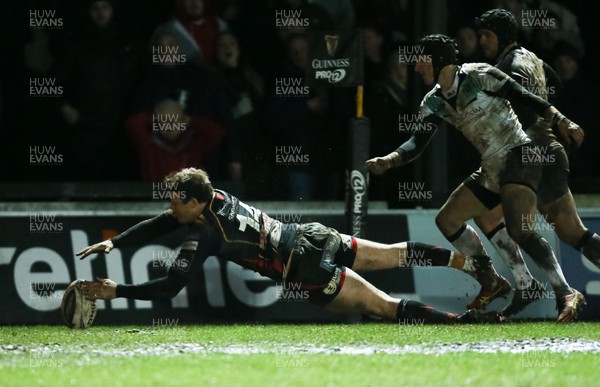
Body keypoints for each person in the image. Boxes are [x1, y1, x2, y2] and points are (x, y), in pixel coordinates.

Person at [77, 167, 503, 324]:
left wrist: (119, 291)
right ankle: (474, 267)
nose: (169, 207)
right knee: (393, 254)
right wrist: (118, 244)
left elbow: (170, 287)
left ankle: (469, 324)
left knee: (384, 307)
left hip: (305, 269)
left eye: (174, 200)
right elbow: (161, 223)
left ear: (192, 203)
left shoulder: (204, 237)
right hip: (311, 235)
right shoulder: (215, 195)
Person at [366, 33, 585, 322]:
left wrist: (561, 119)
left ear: (437, 60)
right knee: (447, 220)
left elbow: (526, 97)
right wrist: (389, 159)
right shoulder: (433, 101)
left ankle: (566, 293)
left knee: (519, 229)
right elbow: (418, 143)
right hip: (492, 168)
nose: (416, 67)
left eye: (420, 61)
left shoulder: (479, 74)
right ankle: (494, 280)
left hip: (520, 155)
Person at [472, 8, 600, 317]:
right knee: (573, 232)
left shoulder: (507, 67)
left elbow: (520, 104)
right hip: (552, 151)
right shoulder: (532, 57)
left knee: (513, 227)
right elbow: (556, 84)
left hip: (524, 154)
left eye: (486, 36)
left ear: (500, 36)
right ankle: (537, 288)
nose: (481, 42)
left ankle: (555, 291)